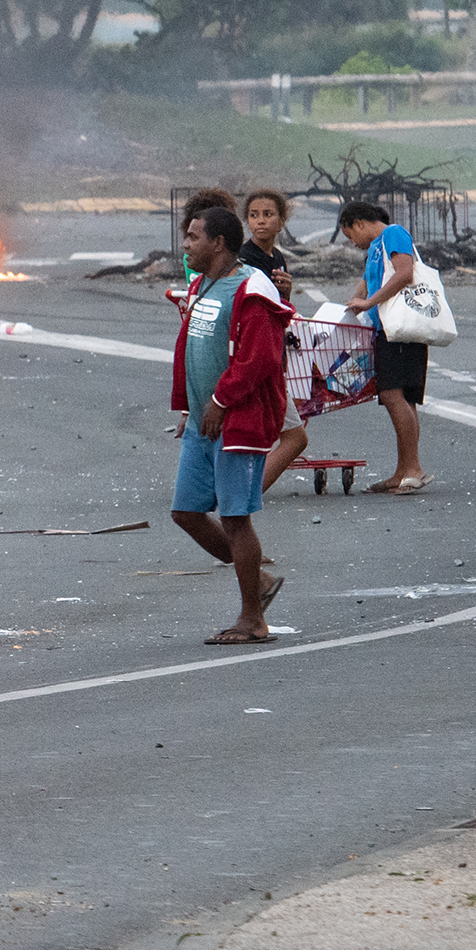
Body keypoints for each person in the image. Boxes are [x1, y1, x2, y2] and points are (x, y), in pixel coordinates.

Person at [167, 205, 289, 646]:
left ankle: (253, 619)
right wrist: (190, 406)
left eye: (194, 237)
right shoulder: (203, 285)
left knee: (236, 519)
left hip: (238, 421)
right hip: (204, 423)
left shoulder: (252, 290)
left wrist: (220, 400)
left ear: (218, 243)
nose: (186, 245)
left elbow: (259, 360)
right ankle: (259, 580)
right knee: (185, 512)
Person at [333, 200, 432, 494]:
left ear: (359, 223)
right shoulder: (375, 249)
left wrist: (369, 302)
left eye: (351, 236)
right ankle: (403, 470)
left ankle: (413, 468)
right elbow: (364, 286)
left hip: (399, 328)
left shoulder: (393, 234)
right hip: (385, 329)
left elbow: (405, 273)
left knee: (393, 394)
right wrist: (352, 306)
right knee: (401, 397)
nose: (354, 243)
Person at [242, 190, 315, 493]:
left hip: (273, 352)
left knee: (270, 431)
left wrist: (286, 291)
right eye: (254, 215)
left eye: (268, 215)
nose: (260, 221)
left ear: (282, 220)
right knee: (294, 436)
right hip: (259, 356)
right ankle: (247, 493)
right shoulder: (245, 259)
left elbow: (279, 310)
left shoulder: (277, 258)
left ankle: (243, 490)